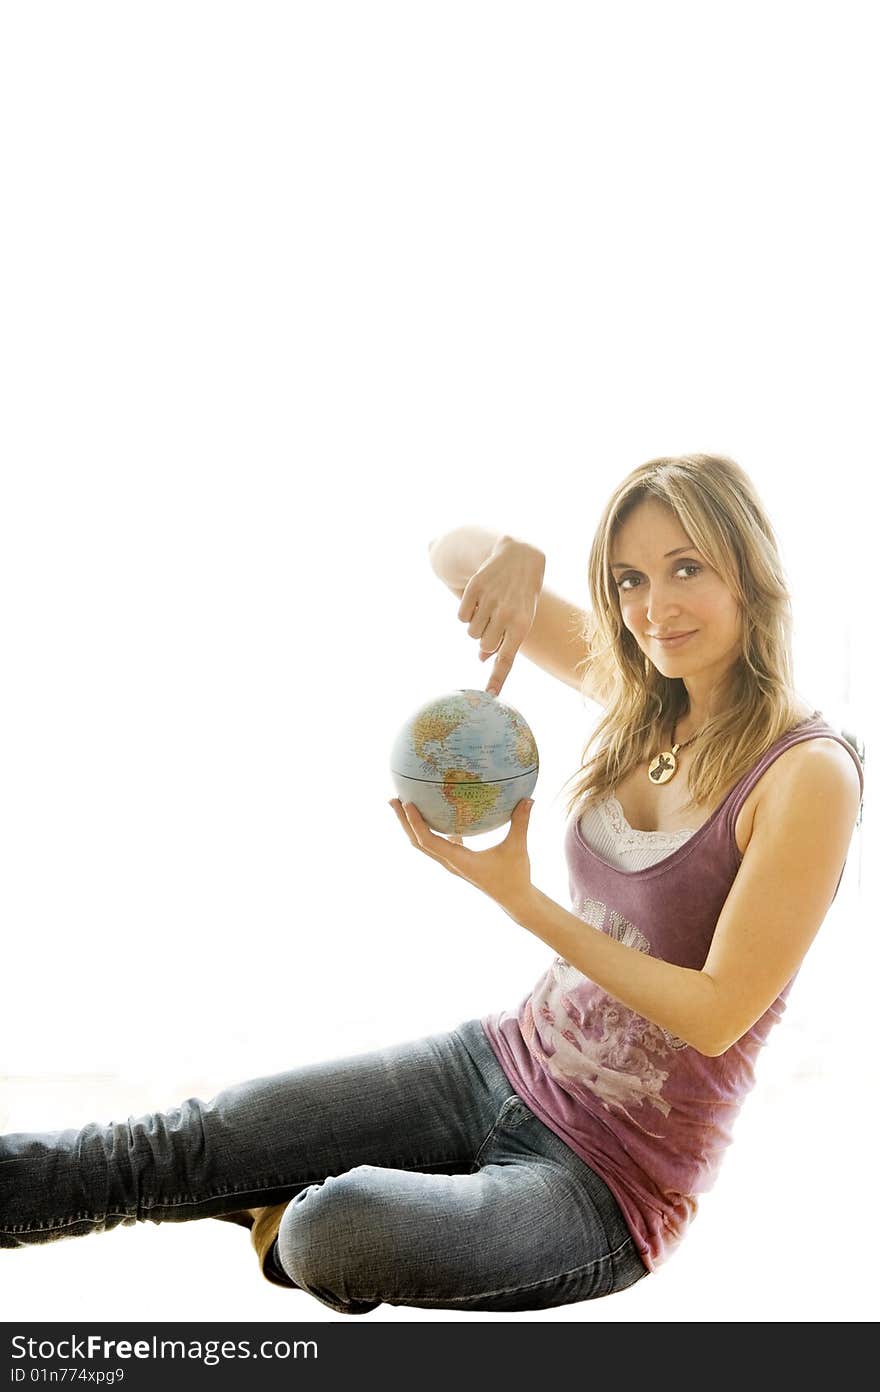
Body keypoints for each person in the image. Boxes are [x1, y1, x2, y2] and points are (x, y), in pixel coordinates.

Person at [0, 453, 864, 1315]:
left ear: (750, 571)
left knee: (328, 1232)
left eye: (687, 569)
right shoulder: (640, 689)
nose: (655, 609)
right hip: (496, 1061)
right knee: (179, 1145)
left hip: (605, 1183)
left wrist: (522, 902)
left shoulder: (806, 774)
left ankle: (296, 1204)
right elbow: (451, 552)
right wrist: (524, 553)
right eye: (628, 579)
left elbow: (715, 1014)